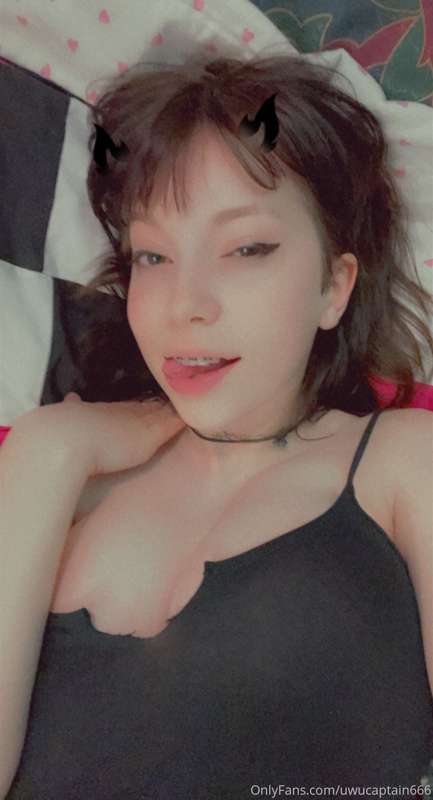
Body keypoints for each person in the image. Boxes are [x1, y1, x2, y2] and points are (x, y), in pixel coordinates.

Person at [1, 51, 433, 797]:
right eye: (153, 255)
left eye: (246, 248)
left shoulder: (404, 461)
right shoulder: (56, 476)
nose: (185, 304)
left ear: (333, 288)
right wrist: (45, 454)